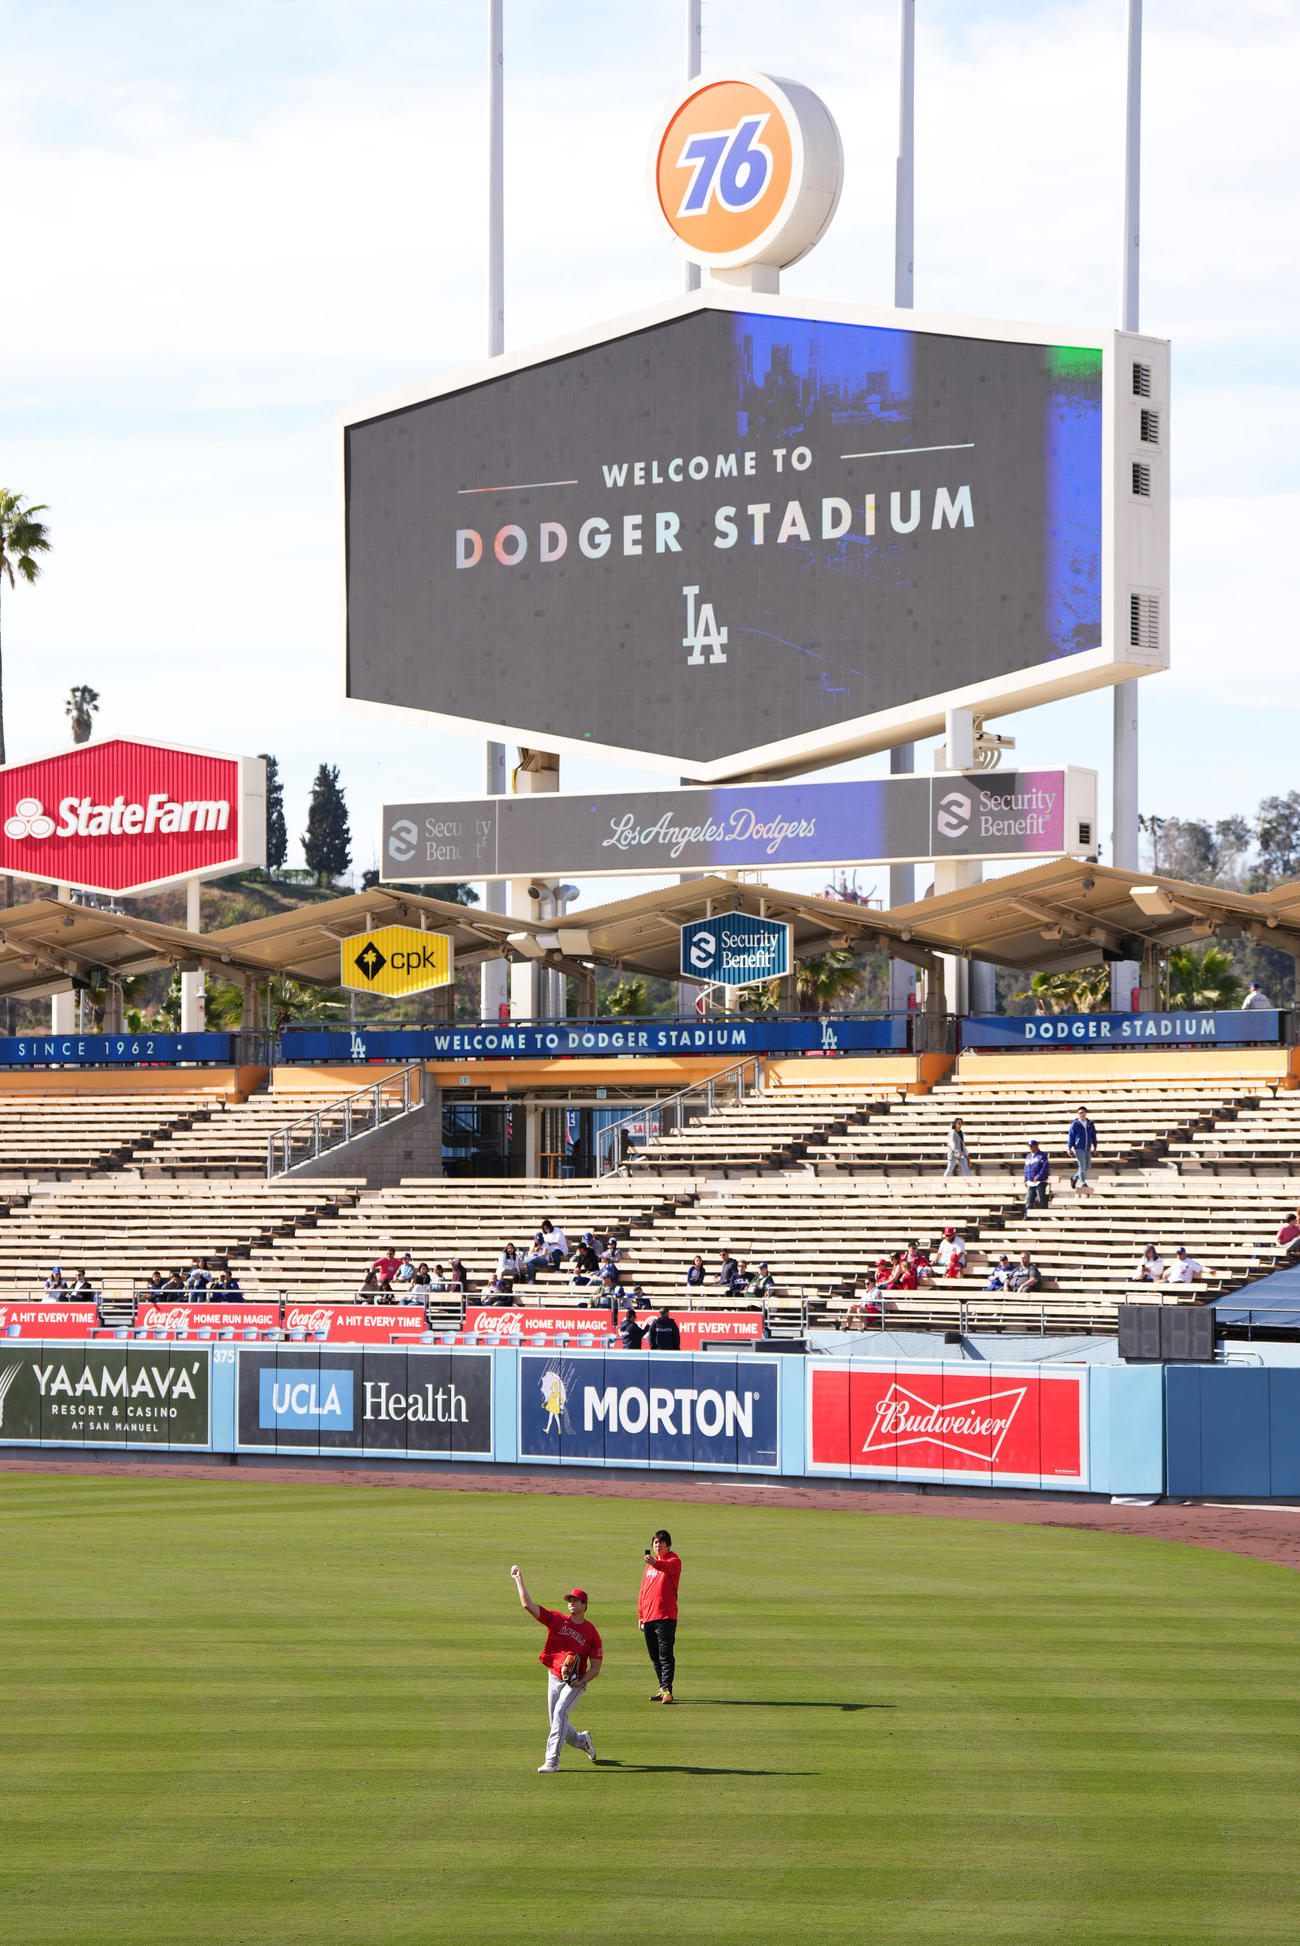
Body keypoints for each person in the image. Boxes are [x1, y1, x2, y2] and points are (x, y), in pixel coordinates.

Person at [509, 1567, 601, 1772]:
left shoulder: (591, 1632)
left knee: (560, 1712)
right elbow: (527, 1605)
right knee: (557, 1722)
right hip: (554, 1676)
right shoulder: (557, 1619)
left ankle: (552, 1760)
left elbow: (596, 1667)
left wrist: (581, 1681)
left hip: (575, 1682)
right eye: (569, 1600)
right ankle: (582, 1740)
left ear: (584, 1605)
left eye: (575, 1600)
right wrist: (518, 1579)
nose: (571, 1603)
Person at [639, 1529, 682, 1705]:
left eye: (661, 1542)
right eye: (655, 1543)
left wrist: (655, 1563)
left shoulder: (674, 1560)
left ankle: (667, 1690)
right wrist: (641, 1615)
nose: (658, 1545)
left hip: (665, 1616)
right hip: (649, 1616)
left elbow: (669, 1567)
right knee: (655, 1656)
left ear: (668, 1545)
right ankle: (661, 1687)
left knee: (665, 1656)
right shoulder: (650, 1566)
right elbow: (643, 1592)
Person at [1067, 1107, 1098, 1190]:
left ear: (1086, 1113)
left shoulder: (1090, 1124)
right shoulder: (1075, 1124)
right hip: (1078, 1148)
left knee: (1087, 1166)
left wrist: (1095, 1146)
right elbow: (1071, 1136)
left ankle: (1074, 1178)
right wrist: (1069, 1148)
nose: (1081, 1114)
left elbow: (1093, 1136)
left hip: (1087, 1148)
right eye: (1080, 1113)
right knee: (1082, 1166)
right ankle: (1083, 1182)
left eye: (1083, 1112)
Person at [1023, 1141, 1051, 1214]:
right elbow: (1026, 1169)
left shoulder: (1042, 1155)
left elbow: (1044, 1168)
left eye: (1032, 1146)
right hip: (1031, 1182)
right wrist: (1025, 1179)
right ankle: (1027, 1217)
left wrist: (1038, 1176)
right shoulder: (1028, 1156)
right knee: (1029, 1200)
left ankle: (1044, 1217)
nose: (1030, 1148)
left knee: (1041, 1200)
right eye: (1029, 1146)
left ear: (1036, 1146)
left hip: (1040, 1182)